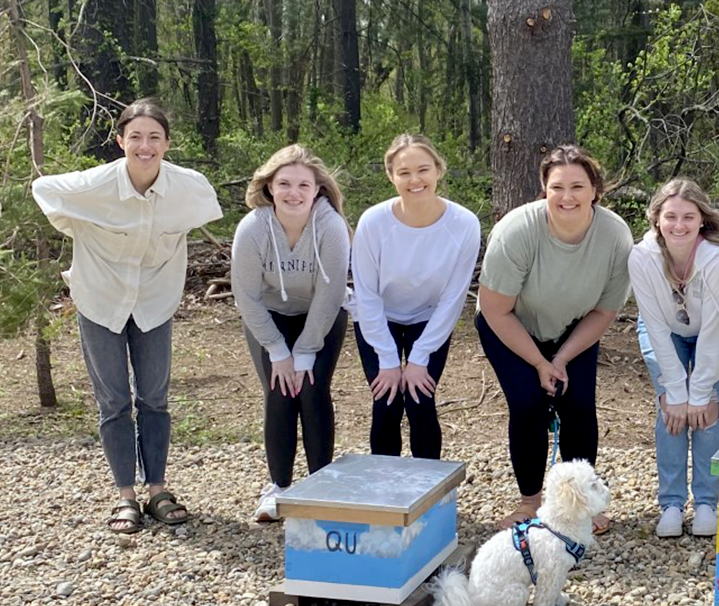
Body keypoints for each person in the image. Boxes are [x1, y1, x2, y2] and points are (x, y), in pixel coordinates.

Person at [31, 98, 223, 533]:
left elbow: (208, 205)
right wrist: (79, 224)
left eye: (154, 137)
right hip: (100, 301)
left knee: (154, 398)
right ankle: (125, 497)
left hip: (155, 303)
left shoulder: (188, 188)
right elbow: (45, 190)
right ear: (120, 141)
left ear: (167, 143)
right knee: (113, 401)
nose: (144, 145)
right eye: (135, 136)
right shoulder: (92, 186)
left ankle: (157, 489)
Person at [477, 145, 633, 532]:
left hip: (574, 328)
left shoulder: (614, 235)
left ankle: (581, 505)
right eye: (557, 187)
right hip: (510, 326)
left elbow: (604, 311)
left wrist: (560, 359)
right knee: (529, 404)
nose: (568, 197)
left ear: (595, 190)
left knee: (578, 405)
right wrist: (539, 363)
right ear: (543, 189)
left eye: (578, 186)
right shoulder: (517, 231)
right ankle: (530, 501)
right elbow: (496, 309)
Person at [231, 145, 351, 522]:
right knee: (281, 391)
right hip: (270, 316)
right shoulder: (253, 228)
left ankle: (320, 486)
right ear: (269, 188)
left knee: (313, 391)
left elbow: (331, 295)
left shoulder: (330, 227)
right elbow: (246, 296)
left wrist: (307, 350)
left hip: (321, 316)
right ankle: (278, 487)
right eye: (283, 183)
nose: (293, 192)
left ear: (318, 189)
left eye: (303, 184)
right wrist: (279, 352)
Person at [351, 134, 479, 460]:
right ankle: (387, 495)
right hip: (379, 318)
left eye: (423, 169)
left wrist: (419, 357)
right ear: (390, 176)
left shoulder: (464, 224)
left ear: (438, 170)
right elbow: (366, 294)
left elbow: (453, 297)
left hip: (430, 318)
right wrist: (388, 359)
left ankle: (428, 496)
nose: (415, 179)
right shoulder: (374, 222)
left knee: (421, 402)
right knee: (387, 402)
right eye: (403, 172)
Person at [629, 179, 719, 538]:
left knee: (705, 411)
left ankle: (708, 503)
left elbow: (716, 329)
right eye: (671, 216)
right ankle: (672, 505)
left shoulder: (717, 259)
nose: (679, 225)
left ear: (702, 220)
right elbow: (655, 326)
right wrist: (676, 391)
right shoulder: (641, 256)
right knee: (672, 410)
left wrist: (700, 391)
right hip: (664, 333)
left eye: (688, 217)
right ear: (656, 219)